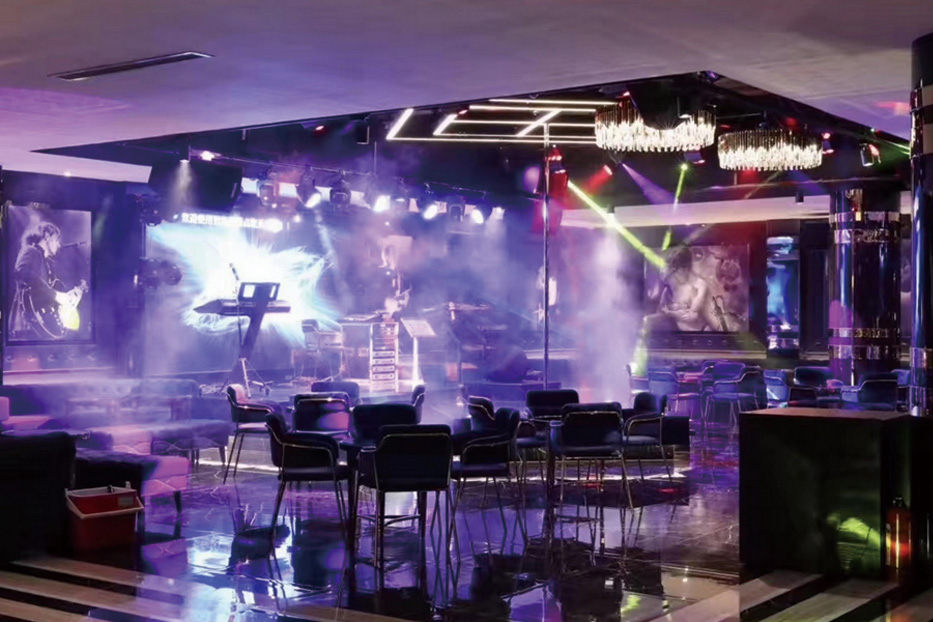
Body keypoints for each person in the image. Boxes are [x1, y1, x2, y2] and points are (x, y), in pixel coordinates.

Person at [10, 222, 83, 339]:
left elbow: (45, 292)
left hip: (38, 324)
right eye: (56, 239)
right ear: (47, 236)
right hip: (26, 324)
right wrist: (56, 295)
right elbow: (22, 273)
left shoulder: (48, 262)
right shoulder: (31, 251)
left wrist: (68, 300)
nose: (58, 244)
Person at [652, 246, 714, 332]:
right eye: (674, 272)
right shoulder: (668, 290)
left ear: (686, 268)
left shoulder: (699, 285)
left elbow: (693, 316)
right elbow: (661, 310)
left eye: (680, 270)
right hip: (680, 333)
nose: (676, 276)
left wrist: (671, 313)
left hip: (701, 332)